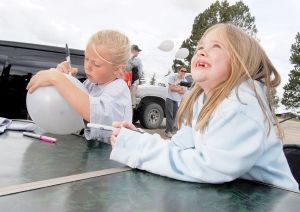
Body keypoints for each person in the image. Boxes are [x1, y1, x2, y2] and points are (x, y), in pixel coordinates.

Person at [109, 23, 299, 192]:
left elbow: (210, 167)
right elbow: (179, 146)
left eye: (216, 46)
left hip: (276, 200)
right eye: (199, 47)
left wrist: (139, 149)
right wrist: (137, 138)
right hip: (238, 194)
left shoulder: (242, 102)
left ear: (242, 61)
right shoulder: (203, 99)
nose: (200, 51)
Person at [27, 30, 132, 143]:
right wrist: (67, 77)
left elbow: (97, 114)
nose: (88, 67)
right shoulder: (90, 84)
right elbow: (74, 105)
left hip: (108, 157)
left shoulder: (119, 89)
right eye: (86, 58)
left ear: (118, 69)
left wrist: (59, 79)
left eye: (96, 64)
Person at [165, 66, 187, 138]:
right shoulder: (173, 77)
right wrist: (179, 88)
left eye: (185, 71)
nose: (183, 72)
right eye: (182, 71)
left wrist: (176, 88)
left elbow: (183, 92)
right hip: (170, 98)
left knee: (174, 116)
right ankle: (169, 131)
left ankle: (168, 130)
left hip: (177, 100)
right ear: (178, 71)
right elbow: (171, 88)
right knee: (169, 115)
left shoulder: (185, 81)